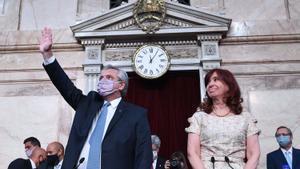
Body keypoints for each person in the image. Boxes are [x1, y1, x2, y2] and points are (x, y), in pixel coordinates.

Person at [39, 27, 152, 169]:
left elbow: (143, 157)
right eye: (101, 77)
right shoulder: (88, 103)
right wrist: (47, 55)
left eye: (109, 77)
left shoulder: (136, 115)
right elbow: (65, 86)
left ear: (121, 85)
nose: (103, 80)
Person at [185, 68, 260, 169]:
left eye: (215, 79)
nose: (210, 84)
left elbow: (254, 154)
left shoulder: (245, 117)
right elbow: (192, 153)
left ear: (229, 85)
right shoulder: (199, 117)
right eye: (208, 82)